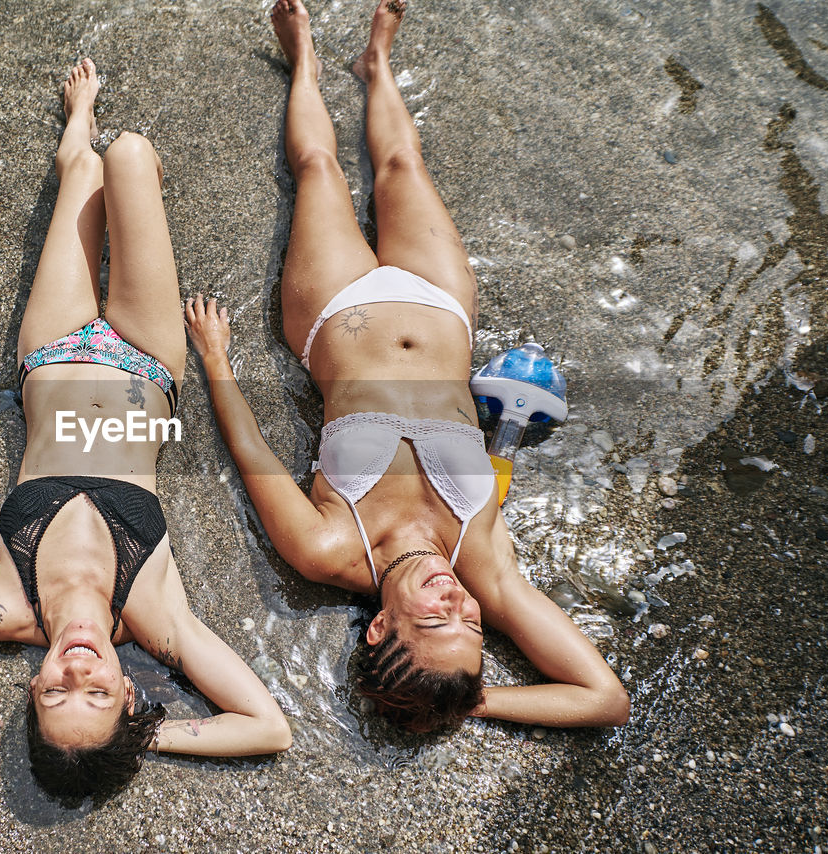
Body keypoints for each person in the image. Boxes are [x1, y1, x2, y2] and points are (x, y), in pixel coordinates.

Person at [0, 59, 290, 802]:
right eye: (98, 697)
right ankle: (111, 173)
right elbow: (266, 725)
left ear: (31, 694)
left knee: (84, 163)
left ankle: (74, 135)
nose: (77, 673)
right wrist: (144, 739)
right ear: (126, 696)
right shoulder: (155, 617)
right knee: (132, 155)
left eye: (56, 696)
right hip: (146, 354)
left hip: (50, 351)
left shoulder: (7, 609)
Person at [184, 1, 628, 732]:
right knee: (401, 163)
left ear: (380, 629)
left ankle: (302, 58)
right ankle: (376, 64)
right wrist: (463, 701)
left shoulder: (326, 549)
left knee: (318, 168)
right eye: (475, 627)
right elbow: (604, 698)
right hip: (440, 305)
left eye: (435, 620)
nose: (458, 601)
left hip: (336, 311)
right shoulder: (482, 563)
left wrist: (215, 360)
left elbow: (251, 452)